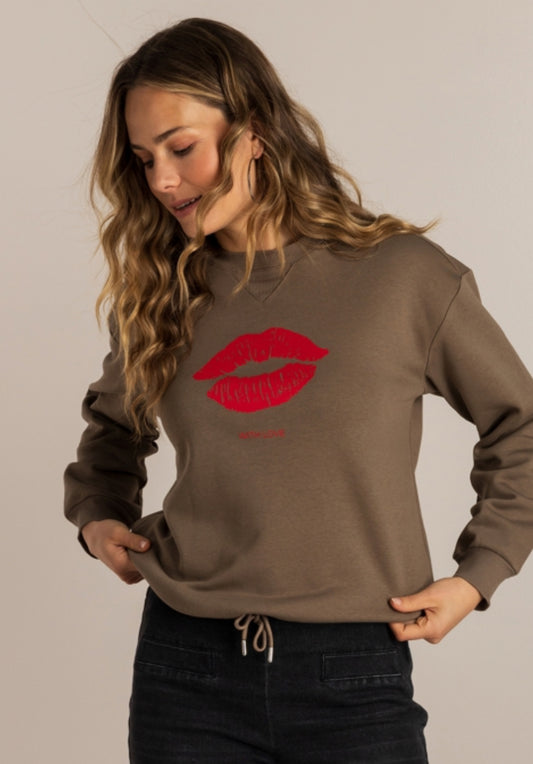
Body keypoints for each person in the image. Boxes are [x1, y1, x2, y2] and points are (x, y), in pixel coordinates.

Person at [64, 17, 533, 764]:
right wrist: (97, 516)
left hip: (355, 671)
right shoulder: (161, 293)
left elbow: (520, 424)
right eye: (144, 159)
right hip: (184, 671)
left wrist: (479, 575)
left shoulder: (402, 277)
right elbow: (112, 432)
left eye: (181, 148)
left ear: (252, 131)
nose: (161, 181)